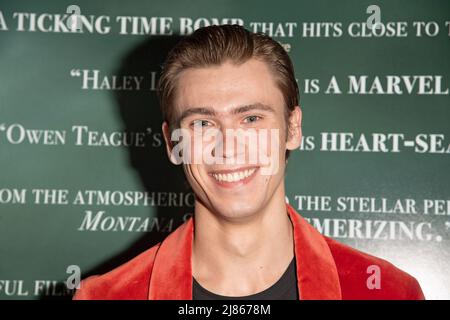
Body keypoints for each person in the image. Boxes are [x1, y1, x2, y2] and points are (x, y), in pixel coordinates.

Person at [73, 24, 424, 300]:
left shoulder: (388, 292)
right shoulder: (107, 296)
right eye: (202, 124)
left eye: (252, 119)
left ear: (293, 128)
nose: (229, 148)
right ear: (172, 143)